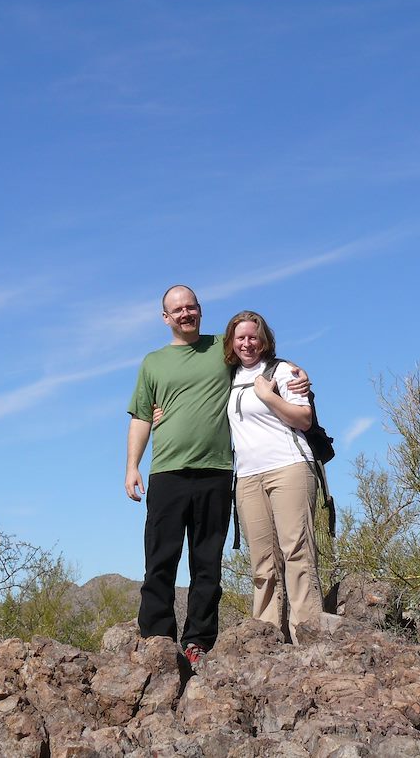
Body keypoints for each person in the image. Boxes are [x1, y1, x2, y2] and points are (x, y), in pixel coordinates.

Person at [124, 285, 307, 668]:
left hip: (217, 472)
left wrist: (297, 375)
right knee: (160, 559)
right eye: (177, 310)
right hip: (168, 471)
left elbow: (256, 352)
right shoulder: (153, 363)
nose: (185, 314)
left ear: (200, 311)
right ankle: (156, 638)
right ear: (165, 317)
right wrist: (132, 466)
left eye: (191, 307)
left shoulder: (221, 349)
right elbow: (142, 416)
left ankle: (199, 641)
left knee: (207, 562)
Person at [224, 309, 324, 642]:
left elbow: (304, 418)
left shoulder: (282, 371)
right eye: (241, 338)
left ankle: (307, 633)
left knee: (296, 550)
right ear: (231, 342)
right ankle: (265, 636)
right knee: (262, 560)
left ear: (265, 339)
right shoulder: (227, 377)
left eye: (254, 337)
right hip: (248, 476)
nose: (247, 343)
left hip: (289, 467)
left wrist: (267, 395)